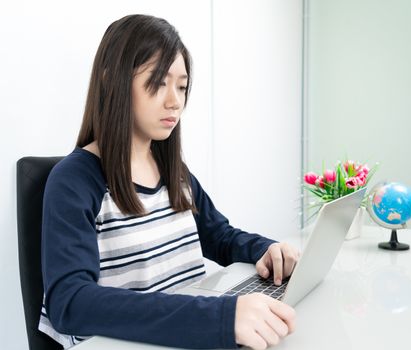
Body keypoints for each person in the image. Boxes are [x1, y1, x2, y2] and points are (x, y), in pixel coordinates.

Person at [39, 14, 299, 350]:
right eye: (159, 82)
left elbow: (218, 236)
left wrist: (265, 250)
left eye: (182, 86)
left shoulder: (173, 170)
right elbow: (70, 302)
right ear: (110, 81)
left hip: (182, 336)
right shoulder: (74, 181)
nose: (175, 101)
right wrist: (217, 317)